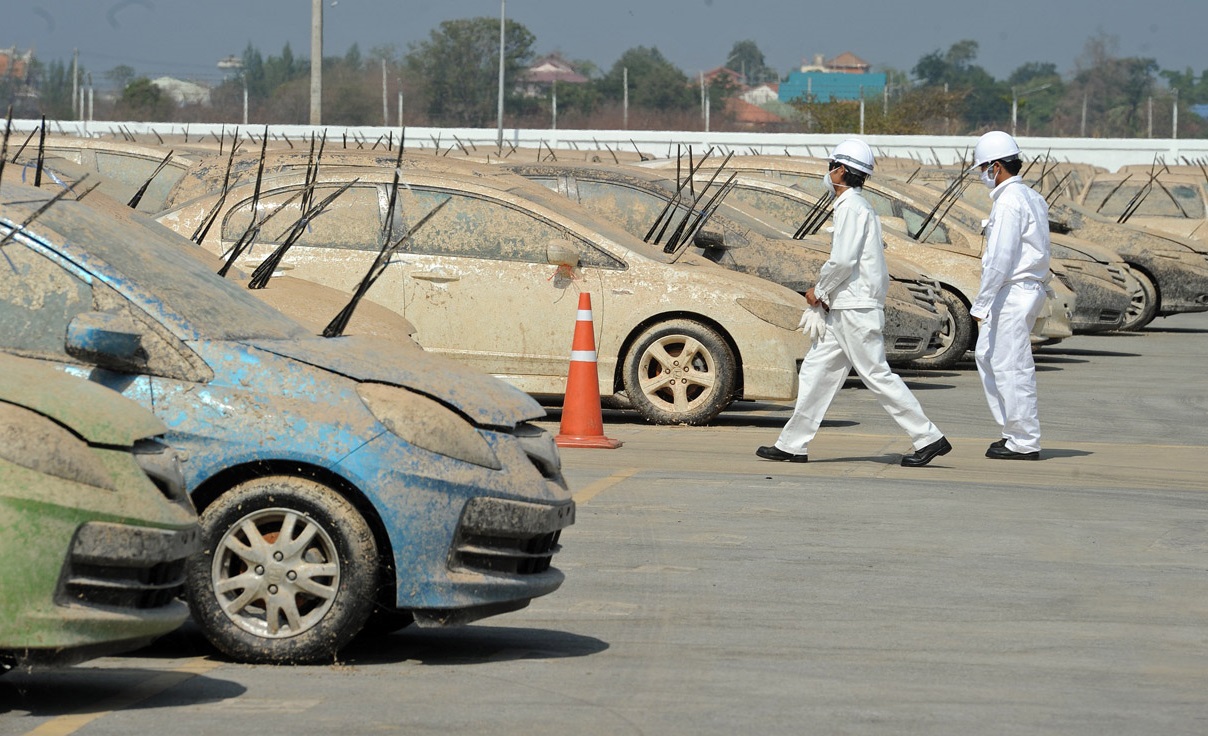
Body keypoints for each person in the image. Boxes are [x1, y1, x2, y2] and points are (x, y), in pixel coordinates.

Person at [756, 139, 951, 467]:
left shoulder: (849, 207)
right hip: (848, 308)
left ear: (841, 170)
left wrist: (819, 290)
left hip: (854, 310)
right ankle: (792, 444)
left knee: (876, 374)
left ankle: (928, 437)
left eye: (831, 165)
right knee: (816, 371)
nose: (827, 171)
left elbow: (843, 261)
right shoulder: (860, 207)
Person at [968, 131, 1051, 461]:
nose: (981, 175)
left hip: (1013, 291)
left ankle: (1024, 439)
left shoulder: (1010, 201)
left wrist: (982, 302)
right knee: (987, 355)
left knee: (1012, 366)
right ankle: (1013, 430)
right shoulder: (1031, 197)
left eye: (983, 168)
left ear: (997, 167)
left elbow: (1001, 257)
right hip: (1022, 289)